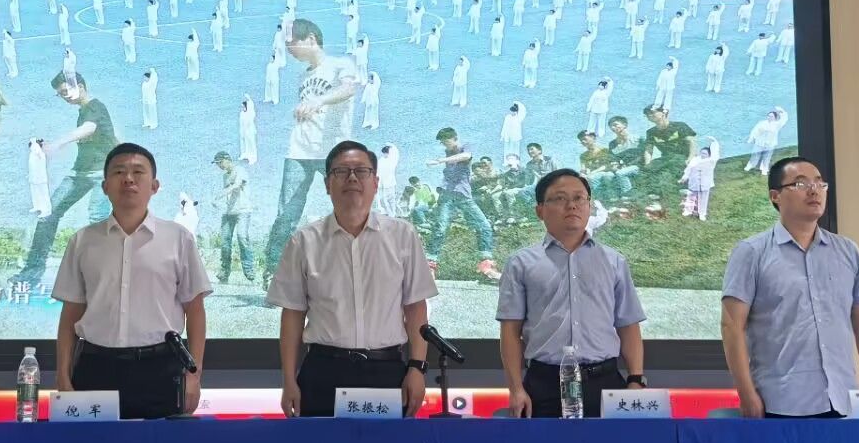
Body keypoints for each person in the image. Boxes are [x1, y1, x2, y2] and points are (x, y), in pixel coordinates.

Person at [270, 142, 437, 417]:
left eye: (361, 171)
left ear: (376, 182)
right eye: (341, 171)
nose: (352, 178)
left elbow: (415, 307)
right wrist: (289, 379)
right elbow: (292, 315)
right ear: (327, 184)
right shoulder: (304, 242)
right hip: (323, 372)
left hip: (387, 371)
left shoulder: (402, 236)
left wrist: (417, 369)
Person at [53, 143, 210, 420]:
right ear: (105, 186)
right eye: (119, 172)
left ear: (155, 186)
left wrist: (194, 376)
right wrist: (63, 378)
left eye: (138, 172)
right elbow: (70, 317)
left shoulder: (178, 239)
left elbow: (195, 311)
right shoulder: (83, 241)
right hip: (95, 368)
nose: (128, 179)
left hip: (161, 369)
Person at [721, 158, 859, 418]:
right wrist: (746, 394)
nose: (814, 190)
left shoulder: (847, 251)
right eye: (801, 184)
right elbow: (731, 326)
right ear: (775, 196)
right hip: (779, 403)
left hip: (843, 400)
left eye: (820, 183)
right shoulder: (751, 252)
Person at [496, 168, 647, 418]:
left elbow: (628, 325)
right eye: (560, 198)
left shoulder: (614, 261)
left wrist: (636, 379)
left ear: (589, 206)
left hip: (605, 383)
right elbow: (510, 332)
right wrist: (515, 388)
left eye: (579, 198)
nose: (572, 205)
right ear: (540, 210)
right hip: (544, 386)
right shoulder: (521, 263)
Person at [262, 20, 359, 284]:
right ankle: (274, 274)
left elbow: (348, 89)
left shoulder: (340, 64)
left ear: (311, 39)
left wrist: (319, 100)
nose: (289, 48)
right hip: (298, 152)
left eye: (293, 42)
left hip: (333, 153)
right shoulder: (302, 76)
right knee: (286, 215)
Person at [19, 72, 117, 282]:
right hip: (79, 173)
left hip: (103, 174)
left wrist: (57, 144)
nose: (65, 97)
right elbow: (109, 139)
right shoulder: (84, 111)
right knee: (48, 214)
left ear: (79, 86)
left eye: (66, 91)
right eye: (60, 94)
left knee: (97, 219)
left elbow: (89, 128)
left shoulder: (95, 106)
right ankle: (31, 273)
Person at [426, 127, 502, 281]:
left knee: (485, 226)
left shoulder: (465, 147)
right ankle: (429, 266)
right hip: (447, 196)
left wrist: (440, 161)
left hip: (464, 197)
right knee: (440, 228)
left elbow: (466, 156)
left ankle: (486, 266)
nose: (444, 145)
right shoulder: (448, 152)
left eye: (445, 142)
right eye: (442, 143)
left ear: (454, 138)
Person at [212, 150, 257, 283]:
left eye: (220, 162)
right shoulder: (225, 176)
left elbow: (237, 186)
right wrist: (221, 203)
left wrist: (217, 197)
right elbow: (228, 193)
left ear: (227, 160)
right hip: (228, 212)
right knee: (225, 241)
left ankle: (249, 269)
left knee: (242, 237)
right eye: (217, 164)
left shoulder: (240, 171)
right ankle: (224, 271)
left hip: (243, 210)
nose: (219, 166)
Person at [681, 143, 717, 221]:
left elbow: (716, 153)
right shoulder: (695, 160)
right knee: (691, 196)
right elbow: (688, 169)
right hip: (694, 182)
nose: (703, 155)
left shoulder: (711, 161)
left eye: (705, 153)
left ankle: (702, 214)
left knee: (703, 199)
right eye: (702, 153)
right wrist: (685, 176)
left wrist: (714, 142)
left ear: (709, 155)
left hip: (705, 183)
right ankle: (688, 210)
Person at [744, 108, 786, 174]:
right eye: (768, 116)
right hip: (759, 143)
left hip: (770, 144)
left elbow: (784, 119)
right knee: (755, 154)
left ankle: (764, 168)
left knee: (767, 156)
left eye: (771, 116)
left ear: (775, 118)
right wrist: (751, 139)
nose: (769, 117)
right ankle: (750, 165)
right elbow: (755, 131)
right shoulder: (762, 123)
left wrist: (781, 111)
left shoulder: (777, 124)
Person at [28, 137, 52, 215]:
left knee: (43, 193)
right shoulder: (32, 154)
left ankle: (46, 210)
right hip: (33, 178)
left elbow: (38, 152)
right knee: (35, 192)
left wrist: (35, 144)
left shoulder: (40, 155)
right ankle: (37, 206)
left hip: (40, 178)